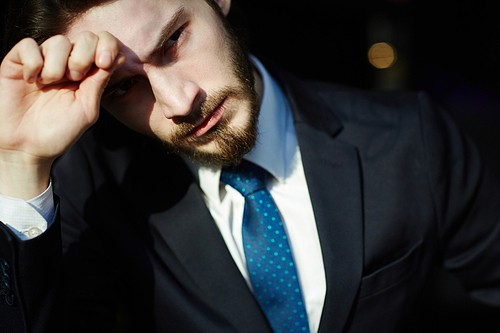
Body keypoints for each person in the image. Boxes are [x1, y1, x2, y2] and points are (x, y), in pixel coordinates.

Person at [1, 0, 500, 332]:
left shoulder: (407, 137)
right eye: (123, 87)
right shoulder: (94, 188)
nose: (178, 101)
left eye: (174, 40)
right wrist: (20, 162)